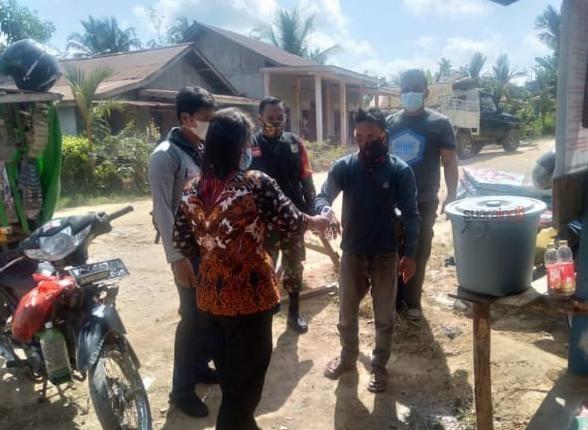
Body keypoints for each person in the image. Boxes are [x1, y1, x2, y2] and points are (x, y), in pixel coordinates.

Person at [173, 108, 330, 430]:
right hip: (250, 297)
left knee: (230, 373)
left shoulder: (191, 188)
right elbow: (290, 222)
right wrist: (317, 221)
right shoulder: (255, 183)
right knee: (245, 384)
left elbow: (183, 242)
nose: (249, 148)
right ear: (238, 146)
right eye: (246, 142)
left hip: (210, 296)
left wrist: (215, 251)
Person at [315, 108, 420, 393]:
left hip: (386, 254)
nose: (364, 142)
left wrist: (410, 254)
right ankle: (348, 357)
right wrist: (325, 211)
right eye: (359, 137)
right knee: (346, 312)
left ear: (384, 136)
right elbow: (323, 195)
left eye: (371, 136)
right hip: (353, 253)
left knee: (384, 317)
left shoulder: (400, 170)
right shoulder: (345, 166)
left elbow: (412, 214)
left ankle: (379, 366)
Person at [148, 86, 217, 418]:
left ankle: (200, 366)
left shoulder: (199, 149)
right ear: (186, 118)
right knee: (191, 318)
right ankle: (181, 391)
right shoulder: (165, 156)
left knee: (207, 315)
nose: (210, 124)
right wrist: (177, 259)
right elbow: (162, 210)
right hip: (186, 252)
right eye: (205, 118)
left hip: (208, 247)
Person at [387, 69, 459, 321]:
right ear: (399, 92)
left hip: (423, 201)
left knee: (418, 250)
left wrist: (452, 194)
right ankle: (393, 301)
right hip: (391, 201)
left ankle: (412, 301)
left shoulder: (439, 124)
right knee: (392, 250)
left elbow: (449, 161)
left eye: (416, 89)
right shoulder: (390, 123)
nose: (410, 93)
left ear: (426, 92)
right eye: (405, 89)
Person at [250, 96, 317, 333]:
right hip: (262, 219)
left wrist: (311, 210)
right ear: (260, 118)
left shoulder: (295, 143)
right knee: (264, 266)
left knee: (294, 266)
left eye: (280, 117)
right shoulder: (249, 145)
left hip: (292, 216)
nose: (276, 121)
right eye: (270, 118)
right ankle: (266, 310)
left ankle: (294, 314)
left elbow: (306, 177)